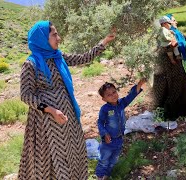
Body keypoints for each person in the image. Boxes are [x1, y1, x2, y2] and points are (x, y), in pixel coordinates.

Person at [18, 21, 115, 179]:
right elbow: (26, 95)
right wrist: (50, 109)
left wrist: (104, 42)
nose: (59, 38)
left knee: (73, 150)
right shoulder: (31, 64)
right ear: (42, 38)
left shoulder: (58, 57)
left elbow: (83, 58)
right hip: (46, 121)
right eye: (54, 34)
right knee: (53, 156)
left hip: (68, 115)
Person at [151, 14, 186, 119]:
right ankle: (171, 112)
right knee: (175, 87)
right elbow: (161, 48)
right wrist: (171, 46)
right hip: (170, 64)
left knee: (184, 85)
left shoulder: (177, 33)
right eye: (173, 21)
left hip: (177, 63)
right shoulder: (163, 34)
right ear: (166, 23)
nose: (176, 22)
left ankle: (184, 110)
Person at [95, 79, 146, 180]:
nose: (113, 95)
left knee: (113, 160)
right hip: (108, 141)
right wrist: (104, 134)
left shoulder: (121, 103)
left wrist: (139, 85)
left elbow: (130, 96)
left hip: (119, 139)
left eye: (114, 92)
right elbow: (100, 122)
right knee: (104, 160)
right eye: (109, 95)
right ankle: (99, 177)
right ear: (104, 99)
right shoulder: (105, 109)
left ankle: (106, 176)